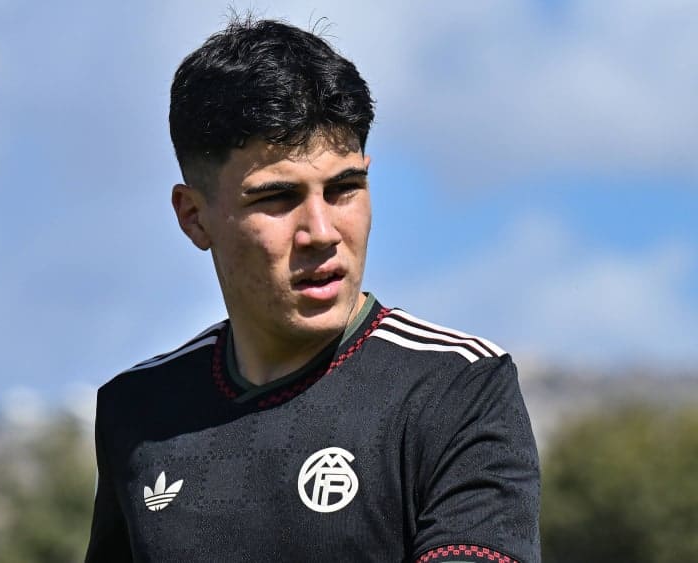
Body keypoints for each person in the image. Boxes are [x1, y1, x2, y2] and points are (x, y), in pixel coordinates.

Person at [86, 16, 540, 563]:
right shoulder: (138, 410)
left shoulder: (456, 388)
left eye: (344, 188)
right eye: (277, 198)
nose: (321, 232)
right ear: (194, 217)